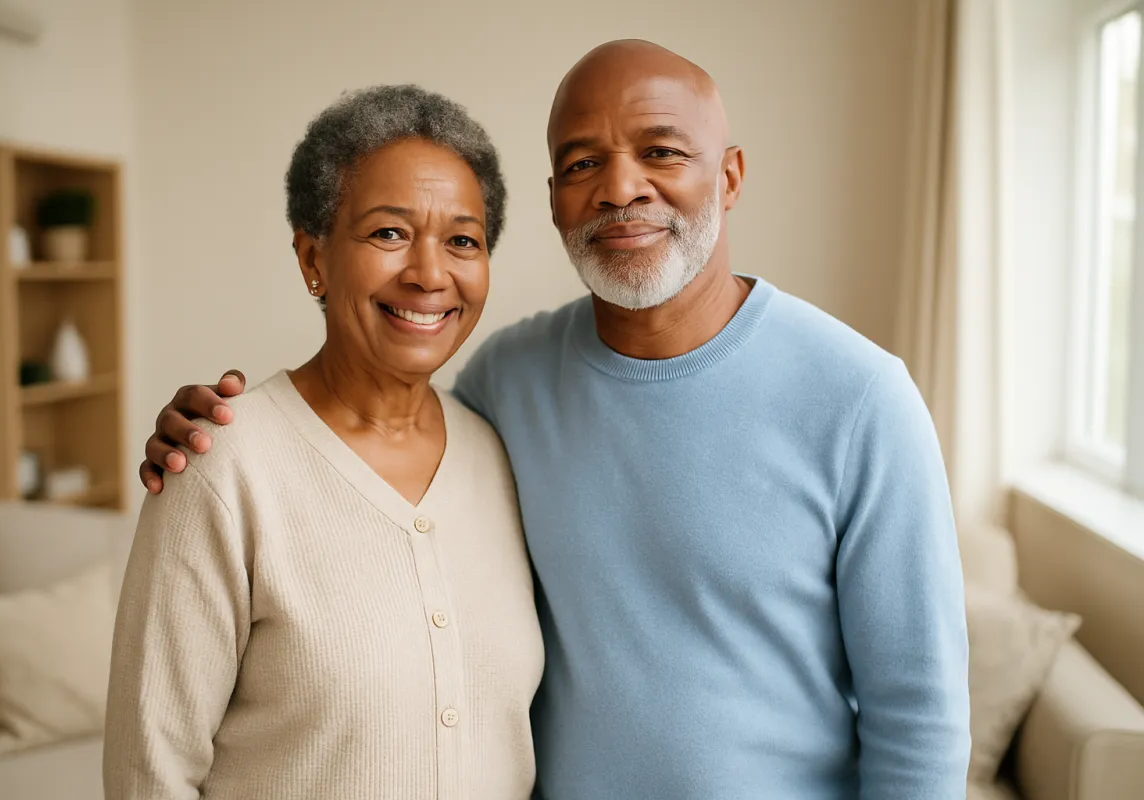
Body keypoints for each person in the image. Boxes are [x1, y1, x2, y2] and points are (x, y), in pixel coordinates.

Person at [137, 41, 971, 799]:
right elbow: (352, 462)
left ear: (730, 175)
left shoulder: (862, 398)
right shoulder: (507, 384)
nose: (619, 187)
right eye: (582, 163)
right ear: (552, 200)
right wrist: (213, 436)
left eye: (661, 152)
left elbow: (920, 718)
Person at [104, 85, 544, 800]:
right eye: (389, 233)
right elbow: (149, 770)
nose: (430, 274)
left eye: (462, 240)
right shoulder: (222, 468)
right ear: (313, 259)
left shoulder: (500, 456)